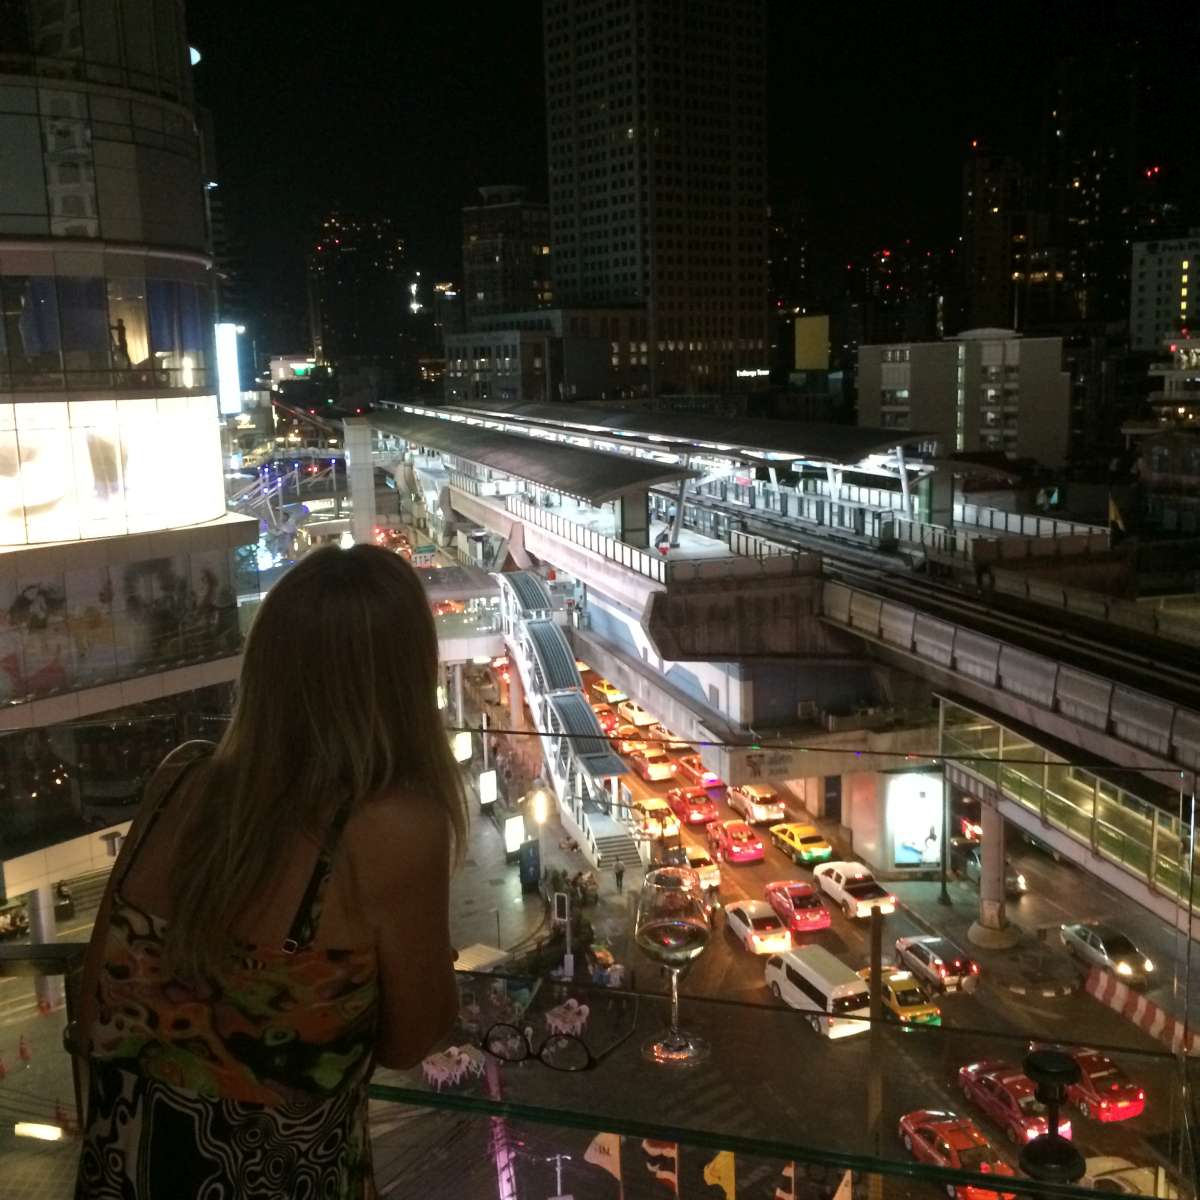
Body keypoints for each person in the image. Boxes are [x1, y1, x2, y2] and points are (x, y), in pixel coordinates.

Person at [72, 545, 468, 1200]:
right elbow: (412, 1040)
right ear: (405, 683)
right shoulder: (391, 828)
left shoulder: (180, 780)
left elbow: (92, 1014)